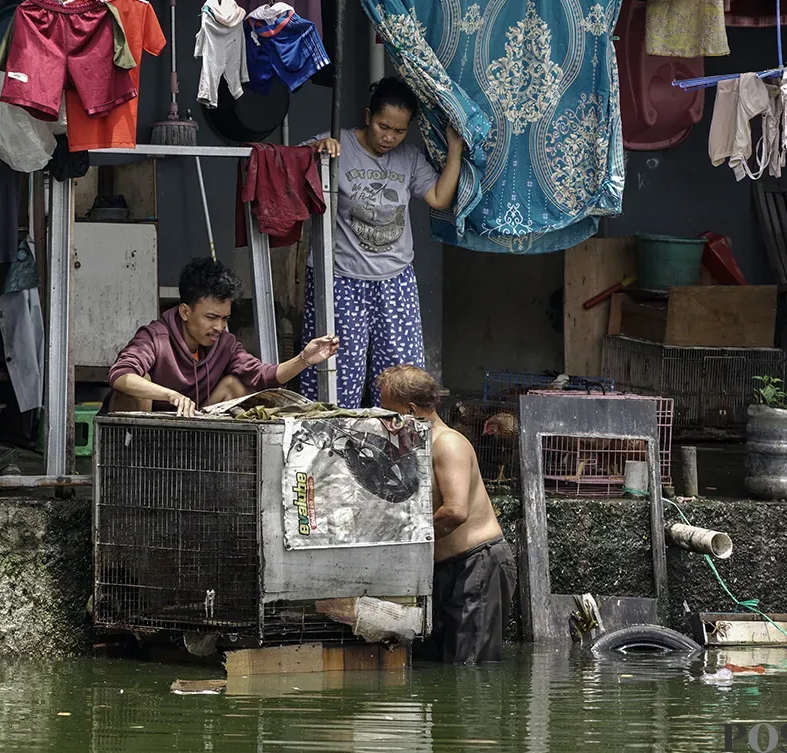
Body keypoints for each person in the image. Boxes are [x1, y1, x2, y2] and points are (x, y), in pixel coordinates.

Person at [299, 76, 464, 409]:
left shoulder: (410, 158)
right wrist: (316, 152)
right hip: (341, 279)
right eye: (383, 126)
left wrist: (455, 150)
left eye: (400, 130)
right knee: (337, 377)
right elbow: (292, 167)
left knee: (403, 379)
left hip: (395, 281)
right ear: (367, 116)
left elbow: (438, 197)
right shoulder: (338, 145)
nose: (389, 137)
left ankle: (396, 452)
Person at [377, 364, 517, 665]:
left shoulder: (448, 443)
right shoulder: (415, 445)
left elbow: (455, 511)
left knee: (468, 666)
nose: (385, 420)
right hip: (444, 569)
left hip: (477, 564)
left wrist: (408, 543)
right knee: (435, 664)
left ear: (412, 409)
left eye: (390, 412)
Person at [109, 258, 339, 416]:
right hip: (139, 440)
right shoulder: (155, 337)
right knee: (138, 383)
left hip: (187, 430)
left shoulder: (225, 345)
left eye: (225, 318)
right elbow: (120, 375)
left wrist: (304, 359)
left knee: (236, 385)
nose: (219, 327)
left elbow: (263, 376)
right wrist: (170, 395)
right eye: (211, 317)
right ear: (185, 312)